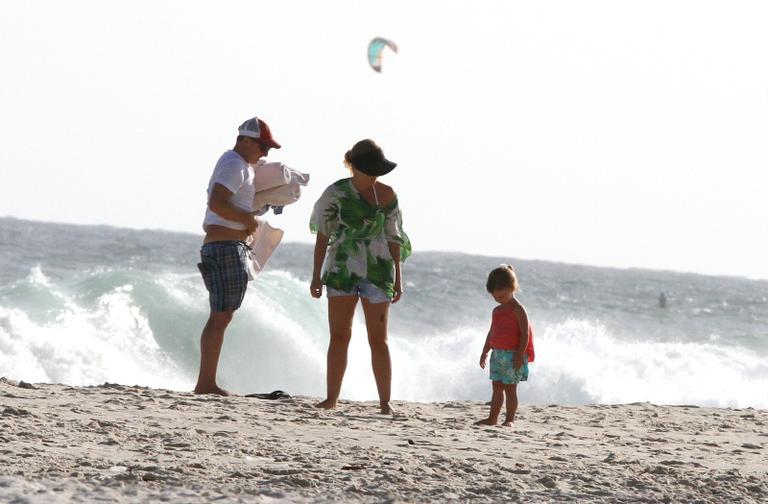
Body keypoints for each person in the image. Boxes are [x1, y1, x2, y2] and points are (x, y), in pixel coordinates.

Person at [309, 139, 411, 414]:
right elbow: (322, 236)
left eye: (378, 169)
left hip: (379, 273)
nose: (375, 174)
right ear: (355, 167)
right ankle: (332, 398)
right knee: (340, 337)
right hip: (342, 270)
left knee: (379, 340)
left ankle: (385, 402)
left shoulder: (388, 195)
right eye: (370, 169)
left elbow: (394, 237)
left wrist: (398, 278)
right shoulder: (336, 193)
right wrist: (316, 277)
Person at [194, 117, 281, 395]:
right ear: (245, 140)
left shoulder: (237, 164)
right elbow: (217, 202)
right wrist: (248, 221)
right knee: (220, 317)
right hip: (225, 247)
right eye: (262, 146)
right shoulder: (235, 165)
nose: (265, 153)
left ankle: (206, 382)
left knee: (221, 316)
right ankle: (206, 383)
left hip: (223, 246)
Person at [476, 265, 535, 427]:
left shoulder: (518, 309)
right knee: (496, 388)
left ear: (512, 288)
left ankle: (509, 419)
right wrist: (484, 351)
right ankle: (492, 418)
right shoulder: (496, 311)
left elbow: (525, 334)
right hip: (498, 355)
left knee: (510, 389)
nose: (498, 300)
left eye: (502, 297)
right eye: (495, 297)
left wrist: (519, 355)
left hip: (513, 355)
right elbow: (492, 332)